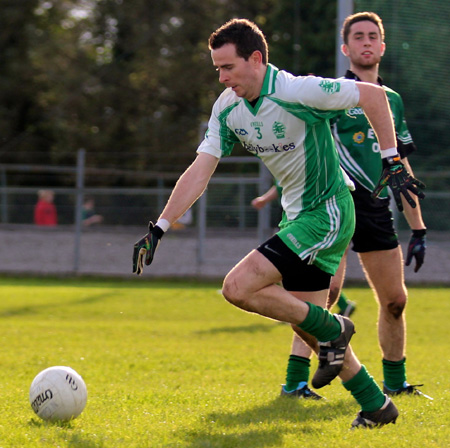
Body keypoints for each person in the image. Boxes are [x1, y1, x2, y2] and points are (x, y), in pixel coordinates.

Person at [132, 18, 425, 427]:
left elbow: (374, 96)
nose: (221, 77)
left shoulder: (297, 90)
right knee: (311, 330)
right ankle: (377, 406)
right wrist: (160, 226)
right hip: (296, 216)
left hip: (327, 211)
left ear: (255, 59)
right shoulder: (227, 107)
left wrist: (392, 159)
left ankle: (335, 328)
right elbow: (200, 169)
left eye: (228, 67)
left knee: (238, 287)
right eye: (217, 68)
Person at [282, 11, 431, 403]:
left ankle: (395, 381)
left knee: (395, 301)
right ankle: (295, 383)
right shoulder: (332, 92)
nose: (366, 42)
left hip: (377, 207)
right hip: (335, 202)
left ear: (382, 47)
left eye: (373, 37)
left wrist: (417, 227)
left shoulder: (392, 101)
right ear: (346, 48)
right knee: (324, 295)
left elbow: (400, 162)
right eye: (358, 37)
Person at [251, 183, 357, 318]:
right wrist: (264, 199)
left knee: (284, 266)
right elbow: (279, 185)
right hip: (293, 216)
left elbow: (281, 185)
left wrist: (264, 199)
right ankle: (307, 309)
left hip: (303, 219)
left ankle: (299, 310)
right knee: (297, 270)